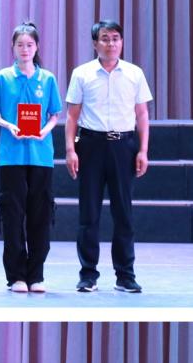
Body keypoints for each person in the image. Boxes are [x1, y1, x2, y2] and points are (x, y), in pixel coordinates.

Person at [65, 19, 152, 293]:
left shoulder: (134, 74)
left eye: (115, 38)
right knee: (88, 214)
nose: (111, 43)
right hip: (90, 146)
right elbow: (72, 116)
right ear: (95, 43)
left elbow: (142, 114)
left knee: (123, 213)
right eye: (105, 38)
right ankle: (88, 275)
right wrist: (70, 149)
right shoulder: (82, 74)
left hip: (123, 146)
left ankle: (125, 275)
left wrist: (143, 150)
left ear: (121, 42)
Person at [0, 23, 64, 293]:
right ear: (13, 47)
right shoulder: (3, 78)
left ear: (37, 47)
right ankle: (16, 276)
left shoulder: (48, 79)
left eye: (30, 45)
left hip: (41, 156)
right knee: (13, 214)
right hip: (12, 156)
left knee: (40, 215)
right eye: (20, 45)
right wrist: (9, 125)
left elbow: (54, 115)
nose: (25, 49)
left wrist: (45, 131)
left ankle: (36, 274)